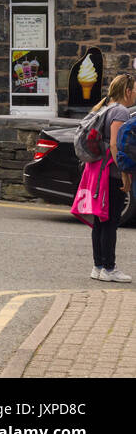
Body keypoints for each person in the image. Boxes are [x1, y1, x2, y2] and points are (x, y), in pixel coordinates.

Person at [90, 74, 136, 283]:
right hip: (111, 172)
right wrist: (125, 173)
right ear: (127, 91)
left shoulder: (105, 107)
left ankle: (98, 266)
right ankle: (109, 267)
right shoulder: (120, 111)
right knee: (110, 221)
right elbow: (117, 145)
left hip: (99, 170)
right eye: (135, 89)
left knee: (101, 220)